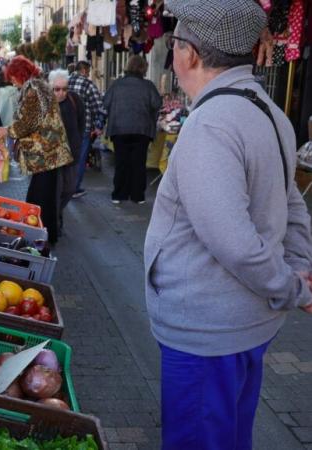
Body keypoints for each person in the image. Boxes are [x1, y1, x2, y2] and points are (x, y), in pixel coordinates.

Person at [145, 1, 312, 449]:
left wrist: (295, 287)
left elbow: (233, 241)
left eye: (175, 42)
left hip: (207, 333)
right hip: (241, 325)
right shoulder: (270, 111)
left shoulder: (211, 123)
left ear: (191, 54)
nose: (172, 53)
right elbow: (293, 204)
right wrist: (296, 269)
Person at [0, 56, 73, 244]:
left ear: (20, 74)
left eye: (13, 77)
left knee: (39, 198)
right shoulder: (38, 86)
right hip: (48, 153)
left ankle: (41, 236)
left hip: (45, 154)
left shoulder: (33, 88)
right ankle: (46, 235)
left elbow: (29, 121)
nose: (12, 81)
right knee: (43, 196)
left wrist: (8, 130)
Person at [103, 55, 162, 204]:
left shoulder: (117, 84)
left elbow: (106, 102)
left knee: (121, 162)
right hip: (141, 129)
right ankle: (137, 196)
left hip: (119, 128)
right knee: (138, 164)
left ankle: (119, 194)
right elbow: (157, 104)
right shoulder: (148, 85)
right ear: (143, 68)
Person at [49, 69, 85, 232]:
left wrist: (77, 141)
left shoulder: (74, 100)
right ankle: (55, 221)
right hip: (53, 156)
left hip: (72, 154)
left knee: (70, 188)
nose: (61, 93)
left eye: (64, 89)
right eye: (57, 89)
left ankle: (58, 212)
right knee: (55, 191)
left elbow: (81, 123)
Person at [68, 61, 106, 198]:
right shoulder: (87, 84)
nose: (89, 74)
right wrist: (99, 125)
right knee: (79, 159)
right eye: (88, 71)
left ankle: (63, 187)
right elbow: (98, 107)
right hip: (83, 127)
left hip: (65, 127)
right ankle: (74, 189)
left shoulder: (64, 82)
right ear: (83, 70)